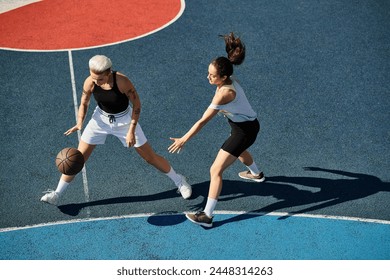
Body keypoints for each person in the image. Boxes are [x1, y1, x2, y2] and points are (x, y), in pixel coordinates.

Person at [41, 55, 192, 205]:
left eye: (100, 79)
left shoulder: (122, 82)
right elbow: (84, 102)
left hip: (125, 121)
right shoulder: (90, 82)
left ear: (109, 72)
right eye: (93, 77)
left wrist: (131, 130)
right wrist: (80, 122)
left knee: (150, 158)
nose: (96, 82)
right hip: (100, 120)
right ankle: (57, 193)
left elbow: (137, 105)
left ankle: (179, 180)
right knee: (76, 159)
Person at [168, 33, 264, 228]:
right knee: (237, 151)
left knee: (215, 169)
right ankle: (257, 174)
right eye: (208, 72)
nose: (208, 77)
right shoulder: (226, 78)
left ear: (224, 76)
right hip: (241, 126)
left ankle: (207, 216)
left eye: (212, 75)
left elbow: (203, 120)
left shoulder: (225, 93)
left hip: (245, 130)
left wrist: (184, 139)